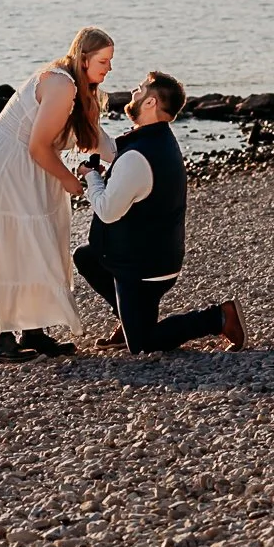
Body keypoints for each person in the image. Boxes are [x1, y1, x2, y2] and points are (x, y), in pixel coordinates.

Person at [0, 27, 117, 364]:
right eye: (103, 61)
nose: (109, 68)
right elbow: (39, 146)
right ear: (84, 59)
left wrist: (139, 154)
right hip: (6, 166)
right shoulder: (61, 84)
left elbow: (97, 139)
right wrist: (70, 181)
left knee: (40, 242)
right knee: (10, 245)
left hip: (29, 167)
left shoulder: (80, 90)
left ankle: (33, 330)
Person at [73, 71, 247, 354]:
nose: (133, 91)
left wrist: (92, 177)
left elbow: (106, 211)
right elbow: (111, 151)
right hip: (157, 258)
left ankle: (219, 317)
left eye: (139, 89)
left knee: (143, 344)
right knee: (86, 256)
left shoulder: (137, 156)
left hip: (142, 269)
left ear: (151, 102)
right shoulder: (159, 141)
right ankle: (130, 319)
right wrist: (85, 117)